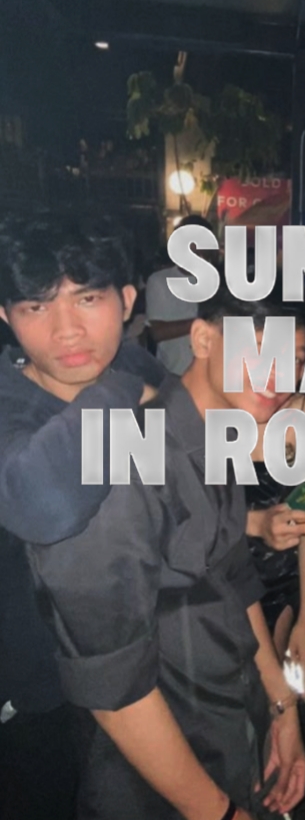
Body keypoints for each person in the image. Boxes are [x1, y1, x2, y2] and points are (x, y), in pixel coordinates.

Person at [25, 288, 305, 819]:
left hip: (231, 726)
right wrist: (218, 813)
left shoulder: (221, 436)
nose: (280, 376)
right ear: (202, 339)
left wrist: (282, 708)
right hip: (155, 781)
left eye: (295, 359)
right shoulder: (122, 463)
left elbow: (234, 576)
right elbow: (112, 686)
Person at [0, 209, 164, 820]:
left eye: (87, 298)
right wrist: (119, 385)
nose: (66, 330)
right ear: (6, 317)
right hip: (37, 698)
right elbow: (46, 505)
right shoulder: (14, 404)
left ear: (127, 301)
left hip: (138, 670)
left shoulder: (139, 377)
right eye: (36, 306)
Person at [202, 286, 305, 686]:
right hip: (211, 589)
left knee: (280, 692)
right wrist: (253, 522)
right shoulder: (199, 414)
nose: (279, 375)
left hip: (280, 587)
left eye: (295, 358)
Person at [146, 214, 216, 375]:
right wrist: (203, 322)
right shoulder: (160, 281)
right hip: (174, 374)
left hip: (210, 373)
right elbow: (158, 332)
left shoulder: (217, 282)